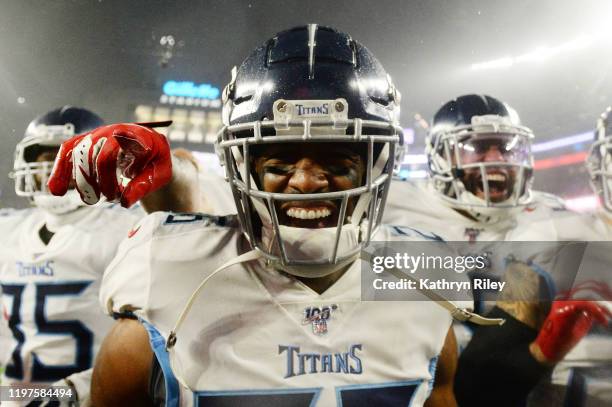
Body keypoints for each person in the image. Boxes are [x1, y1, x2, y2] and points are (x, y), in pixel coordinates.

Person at [47, 25, 479, 407]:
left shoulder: (421, 272)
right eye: (278, 165)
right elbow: (186, 189)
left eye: (339, 161)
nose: (307, 182)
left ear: (381, 163)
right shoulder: (170, 269)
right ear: (240, 166)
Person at [0, 106, 145, 404]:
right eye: (46, 159)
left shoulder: (130, 230)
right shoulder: (7, 230)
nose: (57, 170)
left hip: (92, 398)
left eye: (72, 160)